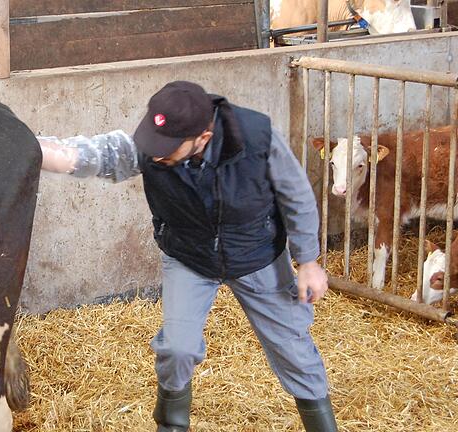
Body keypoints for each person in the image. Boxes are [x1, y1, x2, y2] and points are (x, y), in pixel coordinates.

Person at [38, 81, 337, 432]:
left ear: (203, 138)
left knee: (294, 350)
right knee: (177, 349)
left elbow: (296, 195)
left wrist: (309, 261)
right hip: (189, 255)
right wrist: (24, 147)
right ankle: (171, 425)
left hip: (256, 253)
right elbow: (93, 155)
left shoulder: (257, 137)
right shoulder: (153, 145)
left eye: (167, 149)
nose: (156, 154)